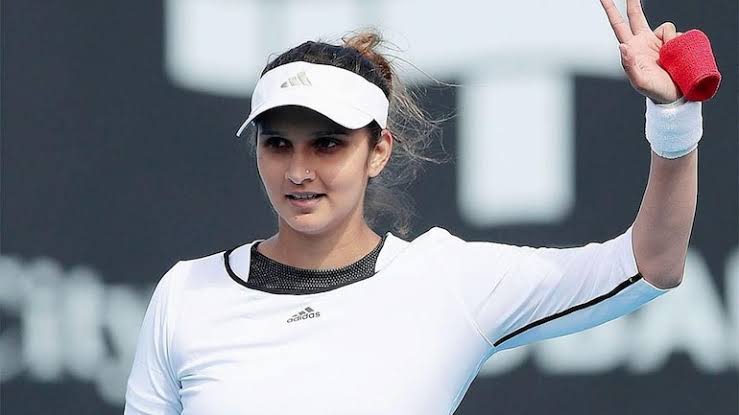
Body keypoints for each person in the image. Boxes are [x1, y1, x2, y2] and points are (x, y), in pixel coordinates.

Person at [124, 0, 702, 413]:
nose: (298, 171)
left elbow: (651, 264)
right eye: (277, 144)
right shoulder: (185, 295)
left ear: (378, 150)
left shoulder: (448, 281)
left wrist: (673, 118)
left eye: (327, 144)